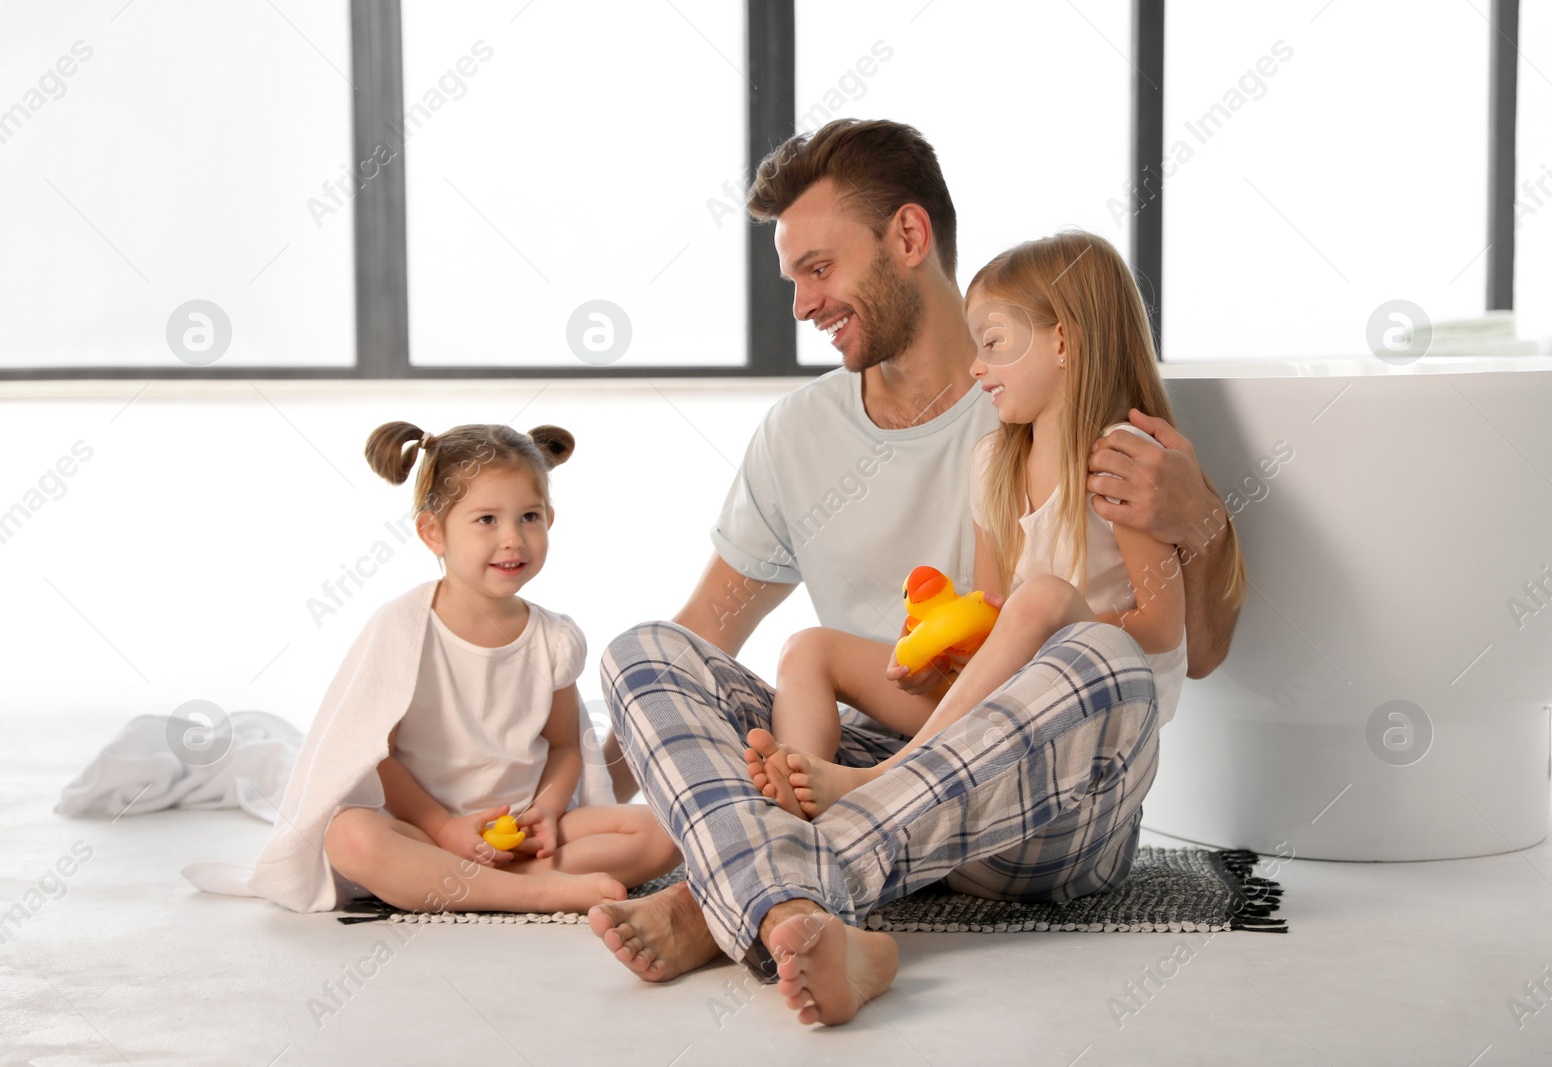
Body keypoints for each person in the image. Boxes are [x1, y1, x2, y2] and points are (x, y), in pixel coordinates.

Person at [588, 118, 1243, 1026]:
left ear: (907, 236)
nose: (802, 305)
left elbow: (1188, 655)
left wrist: (1200, 522)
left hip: (1039, 800)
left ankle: (729, 895)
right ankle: (800, 910)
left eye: (819, 268)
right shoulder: (797, 436)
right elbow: (704, 633)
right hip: (870, 757)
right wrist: (575, 780)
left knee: (1097, 655)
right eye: (793, 279)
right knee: (643, 653)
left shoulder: (1048, 411)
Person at [748, 230, 1238, 819]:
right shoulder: (993, 463)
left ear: (1062, 340)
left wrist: (1037, 629)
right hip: (1013, 701)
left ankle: (881, 782)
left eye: (994, 342)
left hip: (1100, 714)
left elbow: (1161, 631)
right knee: (809, 648)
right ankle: (791, 802)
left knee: (1040, 600)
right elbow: (991, 614)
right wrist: (946, 653)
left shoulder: (1120, 462)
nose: (977, 366)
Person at [199, 421, 680, 917]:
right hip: (424, 829)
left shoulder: (553, 639)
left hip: (516, 823)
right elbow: (374, 753)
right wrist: (443, 828)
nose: (513, 539)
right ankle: (535, 892)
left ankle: (465, 883)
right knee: (352, 838)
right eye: (487, 520)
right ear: (434, 532)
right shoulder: (405, 629)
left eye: (529, 517)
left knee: (665, 832)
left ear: (550, 520)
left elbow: (562, 745)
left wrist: (547, 810)